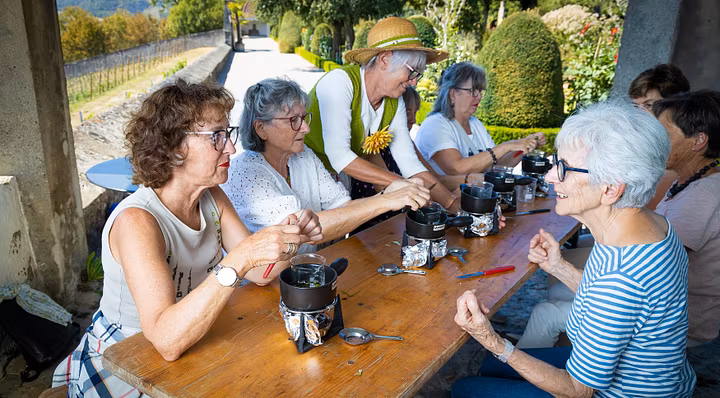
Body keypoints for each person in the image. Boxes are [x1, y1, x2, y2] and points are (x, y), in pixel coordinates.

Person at [52, 80, 320, 397]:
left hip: (196, 330)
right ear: (175, 146)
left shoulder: (211, 196)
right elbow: (165, 341)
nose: (232, 148)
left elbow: (260, 275)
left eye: (228, 134)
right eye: (217, 137)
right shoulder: (138, 222)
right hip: (129, 355)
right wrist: (242, 256)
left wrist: (290, 238)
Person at [452, 102, 696, 397]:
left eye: (564, 168)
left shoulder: (619, 279)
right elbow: (614, 306)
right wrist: (558, 267)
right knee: (492, 369)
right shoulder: (652, 226)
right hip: (662, 379)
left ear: (610, 189)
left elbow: (578, 390)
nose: (551, 176)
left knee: (467, 388)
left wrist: (491, 339)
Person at [222, 78, 431, 252]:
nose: (305, 128)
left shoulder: (304, 156)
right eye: (293, 120)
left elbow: (343, 207)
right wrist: (385, 200)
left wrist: (386, 196)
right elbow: (304, 230)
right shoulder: (246, 173)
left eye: (304, 118)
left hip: (306, 273)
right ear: (261, 129)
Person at [304, 17, 461, 214]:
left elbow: (409, 161)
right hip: (303, 175)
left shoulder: (395, 101)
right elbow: (339, 156)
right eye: (412, 72)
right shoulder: (340, 82)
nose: (414, 83)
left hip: (337, 181)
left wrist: (455, 207)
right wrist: (402, 184)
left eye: (417, 76)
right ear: (384, 60)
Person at [653, 90, 720, 347]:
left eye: (664, 134)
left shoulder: (705, 193)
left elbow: (658, 264)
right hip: (665, 306)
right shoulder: (688, 179)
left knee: (550, 311)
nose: (655, 142)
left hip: (680, 320)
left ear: (698, 141)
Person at [414, 62, 545, 176]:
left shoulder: (475, 124)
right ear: (453, 94)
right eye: (473, 91)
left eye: (480, 91)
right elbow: (455, 169)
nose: (479, 97)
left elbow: (497, 166)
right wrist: (505, 147)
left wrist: (525, 146)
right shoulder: (435, 125)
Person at [629, 63, 691, 209]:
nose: (639, 113)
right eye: (636, 106)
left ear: (675, 106)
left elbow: (643, 210)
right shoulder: (647, 140)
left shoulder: (675, 149)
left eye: (648, 105)